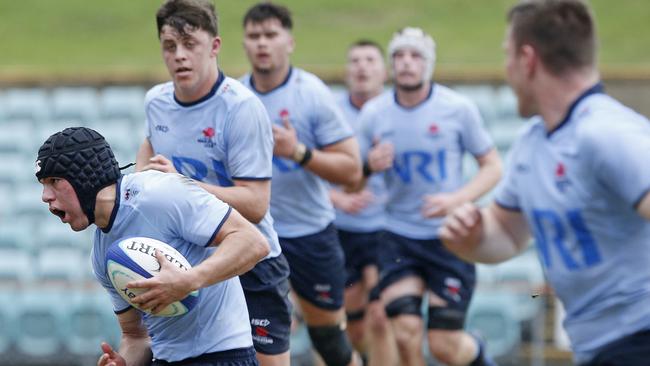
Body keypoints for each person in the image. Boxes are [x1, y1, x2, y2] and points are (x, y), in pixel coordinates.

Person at [439, 1, 650, 365]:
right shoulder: (531, 144)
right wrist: (472, 236)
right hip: (598, 349)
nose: (505, 69)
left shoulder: (607, 133)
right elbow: (506, 234)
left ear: (528, 59)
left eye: (507, 56)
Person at [135, 1, 292, 365]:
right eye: (170, 46)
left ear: (215, 46)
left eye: (191, 45)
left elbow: (255, 203)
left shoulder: (241, 108)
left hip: (253, 261)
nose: (180, 56)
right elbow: (146, 158)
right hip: (189, 261)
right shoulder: (156, 102)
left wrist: (179, 183)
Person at [36, 127, 269, 366]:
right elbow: (136, 336)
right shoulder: (103, 254)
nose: (45, 196)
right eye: (43, 184)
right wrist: (122, 362)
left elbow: (253, 242)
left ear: (84, 177)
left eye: (54, 181)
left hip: (224, 357)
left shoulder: (159, 193)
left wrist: (189, 281)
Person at [358, 27, 502, 365]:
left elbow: (493, 166)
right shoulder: (374, 114)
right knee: (406, 333)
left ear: (429, 64)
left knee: (443, 346)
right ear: (391, 65)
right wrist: (367, 167)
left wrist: (456, 200)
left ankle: (479, 353)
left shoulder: (457, 108)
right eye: (400, 56)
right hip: (398, 237)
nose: (407, 63)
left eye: (416, 55)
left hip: (449, 238)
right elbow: (352, 182)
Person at [240, 3, 363, 366]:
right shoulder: (234, 98)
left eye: (271, 35)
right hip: (253, 237)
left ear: (289, 42)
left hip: (309, 232)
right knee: (253, 342)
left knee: (330, 343)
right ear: (243, 43)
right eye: (254, 35)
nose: (262, 43)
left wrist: (298, 152)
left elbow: (352, 172)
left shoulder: (312, 94)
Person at [329, 40, 397, 366]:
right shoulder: (331, 112)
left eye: (370, 60)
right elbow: (303, 171)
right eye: (354, 60)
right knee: (343, 323)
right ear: (346, 71)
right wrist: (337, 198)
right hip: (340, 229)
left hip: (386, 230)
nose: (362, 67)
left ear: (384, 71)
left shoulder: (399, 111)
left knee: (384, 316)